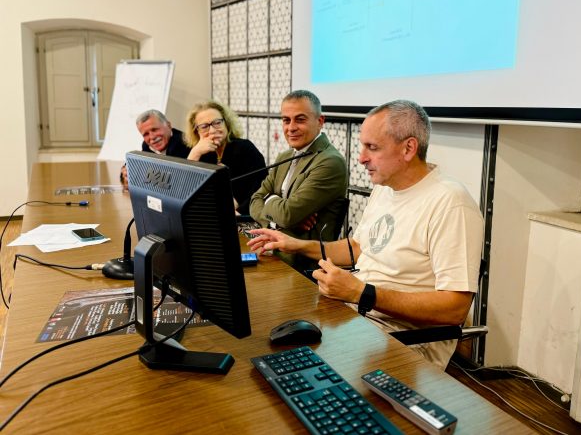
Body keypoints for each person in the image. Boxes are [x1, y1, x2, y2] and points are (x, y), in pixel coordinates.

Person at [248, 100, 484, 369]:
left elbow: (455, 309)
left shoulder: (450, 202)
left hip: (404, 340)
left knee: (295, 373)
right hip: (355, 315)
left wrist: (363, 293)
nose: (361, 157)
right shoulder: (385, 187)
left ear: (408, 148)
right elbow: (359, 248)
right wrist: (297, 245)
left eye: (372, 147)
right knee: (265, 345)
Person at [249, 90, 348, 242]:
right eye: (286, 120)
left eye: (300, 120)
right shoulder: (285, 156)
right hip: (272, 245)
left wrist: (269, 199)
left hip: (302, 259)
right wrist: (275, 222)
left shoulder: (330, 162)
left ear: (320, 121)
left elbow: (287, 215)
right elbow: (255, 201)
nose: (291, 127)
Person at [184, 100, 266, 215]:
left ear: (226, 123)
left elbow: (261, 187)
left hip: (244, 215)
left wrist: (238, 211)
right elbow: (184, 192)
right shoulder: (198, 153)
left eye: (217, 122)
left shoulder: (245, 148)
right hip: (208, 215)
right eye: (204, 126)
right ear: (196, 131)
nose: (212, 130)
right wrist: (195, 153)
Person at [120, 109, 190, 189]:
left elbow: (174, 180)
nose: (152, 137)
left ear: (169, 126)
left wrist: (142, 174)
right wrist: (126, 173)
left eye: (154, 130)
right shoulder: (146, 146)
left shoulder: (185, 142)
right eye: (146, 134)